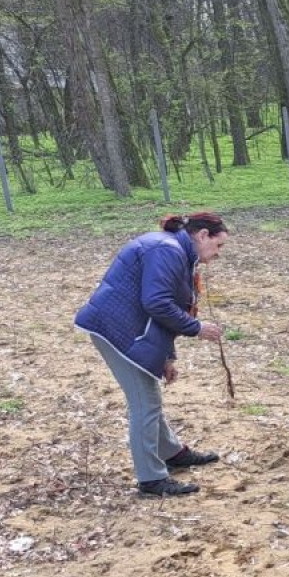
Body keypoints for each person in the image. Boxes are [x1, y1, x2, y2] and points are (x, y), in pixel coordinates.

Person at [74, 213, 228, 497]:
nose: (217, 255)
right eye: (218, 246)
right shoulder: (167, 250)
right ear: (203, 235)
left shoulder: (177, 252)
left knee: (149, 398)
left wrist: (167, 358)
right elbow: (157, 303)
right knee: (144, 402)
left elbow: (165, 311)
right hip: (113, 329)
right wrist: (196, 328)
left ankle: (171, 453)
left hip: (128, 329)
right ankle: (151, 479)